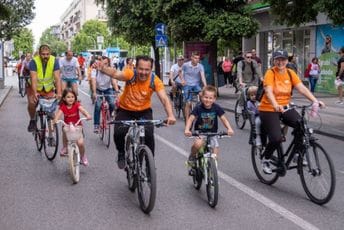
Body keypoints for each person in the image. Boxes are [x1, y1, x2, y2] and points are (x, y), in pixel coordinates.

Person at [96, 55, 176, 169]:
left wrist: (171, 115)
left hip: (144, 112)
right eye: (141, 69)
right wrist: (102, 68)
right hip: (125, 110)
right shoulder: (130, 74)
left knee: (149, 136)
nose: (143, 72)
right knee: (119, 133)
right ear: (136, 67)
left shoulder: (154, 80)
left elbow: (164, 99)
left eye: (147, 69)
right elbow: (115, 74)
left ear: (151, 69)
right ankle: (121, 153)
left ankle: (149, 165)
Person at [258, 49, 324, 174]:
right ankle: (265, 159)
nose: (280, 62)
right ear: (273, 61)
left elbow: (301, 88)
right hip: (269, 108)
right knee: (276, 138)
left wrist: (315, 100)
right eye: (277, 59)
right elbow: (268, 91)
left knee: (302, 125)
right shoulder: (270, 73)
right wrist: (275, 104)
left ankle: (298, 154)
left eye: (283, 59)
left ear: (287, 61)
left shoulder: (290, 73)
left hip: (285, 107)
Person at [184, 85, 234, 167]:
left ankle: (213, 167)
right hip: (200, 133)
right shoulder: (198, 108)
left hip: (212, 133)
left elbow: (224, 119)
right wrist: (187, 129)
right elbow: (190, 119)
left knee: (215, 147)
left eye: (210, 98)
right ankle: (192, 156)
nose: (208, 100)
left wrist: (229, 129)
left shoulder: (216, 108)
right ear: (202, 97)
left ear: (214, 99)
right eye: (206, 97)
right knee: (197, 144)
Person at [27, 44, 62, 132]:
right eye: (43, 54)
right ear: (39, 54)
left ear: (50, 53)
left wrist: (59, 92)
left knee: (50, 111)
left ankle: (50, 135)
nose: (45, 56)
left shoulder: (54, 61)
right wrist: (35, 93)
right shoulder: (34, 61)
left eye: (47, 54)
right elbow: (34, 78)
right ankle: (32, 120)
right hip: (34, 87)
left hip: (48, 88)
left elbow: (57, 78)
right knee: (32, 103)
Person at [54, 88, 91, 164]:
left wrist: (87, 115)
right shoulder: (63, 107)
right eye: (68, 97)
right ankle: (65, 147)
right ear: (64, 98)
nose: (71, 99)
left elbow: (82, 110)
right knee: (64, 130)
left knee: (80, 143)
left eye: (72, 97)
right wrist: (55, 120)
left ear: (75, 98)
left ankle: (83, 156)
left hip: (77, 126)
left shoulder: (76, 105)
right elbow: (58, 115)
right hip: (67, 126)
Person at [91, 56, 119, 133]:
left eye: (106, 64)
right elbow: (93, 81)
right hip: (98, 89)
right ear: (99, 63)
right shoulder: (95, 70)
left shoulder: (110, 70)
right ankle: (96, 125)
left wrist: (116, 91)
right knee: (98, 106)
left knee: (112, 103)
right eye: (103, 63)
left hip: (108, 89)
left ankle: (109, 116)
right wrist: (94, 92)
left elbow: (114, 81)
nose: (104, 65)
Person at [180, 51, 207, 121]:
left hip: (196, 85)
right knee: (188, 103)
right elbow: (179, 72)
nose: (197, 60)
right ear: (191, 58)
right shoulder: (185, 65)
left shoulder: (200, 66)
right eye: (195, 58)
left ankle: (202, 110)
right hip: (187, 85)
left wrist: (205, 86)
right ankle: (187, 119)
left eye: (198, 58)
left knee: (202, 95)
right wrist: (182, 80)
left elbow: (203, 76)